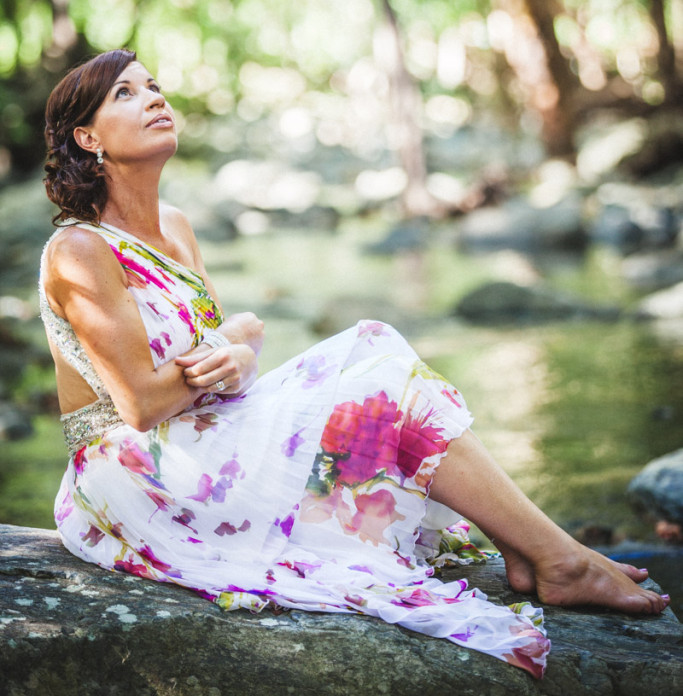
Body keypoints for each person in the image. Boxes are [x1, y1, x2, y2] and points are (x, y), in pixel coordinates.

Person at [39, 49, 669, 680]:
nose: (154, 98)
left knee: (375, 344)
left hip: (201, 430)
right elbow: (143, 405)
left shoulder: (174, 225)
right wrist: (239, 332)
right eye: (125, 94)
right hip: (134, 466)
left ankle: (529, 549)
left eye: (154, 85)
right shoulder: (78, 250)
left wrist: (239, 348)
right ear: (87, 137)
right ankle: (558, 558)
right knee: (382, 384)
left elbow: (211, 367)